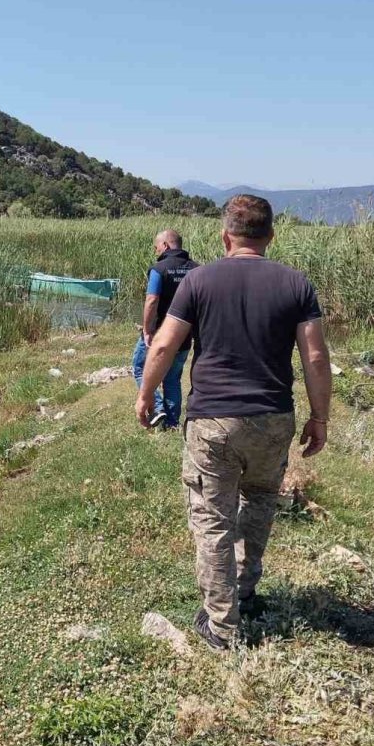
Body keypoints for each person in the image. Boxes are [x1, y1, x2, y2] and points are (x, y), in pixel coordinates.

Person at [135, 195, 332, 650]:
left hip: (214, 422)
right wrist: (320, 417)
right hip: (273, 417)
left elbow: (164, 346)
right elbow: (316, 357)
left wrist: (146, 394)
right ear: (270, 236)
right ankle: (244, 590)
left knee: (212, 518)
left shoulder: (199, 281)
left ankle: (222, 625)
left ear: (225, 236)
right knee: (260, 502)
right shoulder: (296, 283)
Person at [132, 230, 198, 430]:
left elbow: (152, 300)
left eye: (157, 246)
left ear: (166, 245)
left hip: (160, 335)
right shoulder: (197, 270)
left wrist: (147, 330)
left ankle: (158, 407)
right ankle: (172, 423)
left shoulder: (159, 269)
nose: (156, 250)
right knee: (173, 378)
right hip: (185, 337)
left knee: (140, 368)